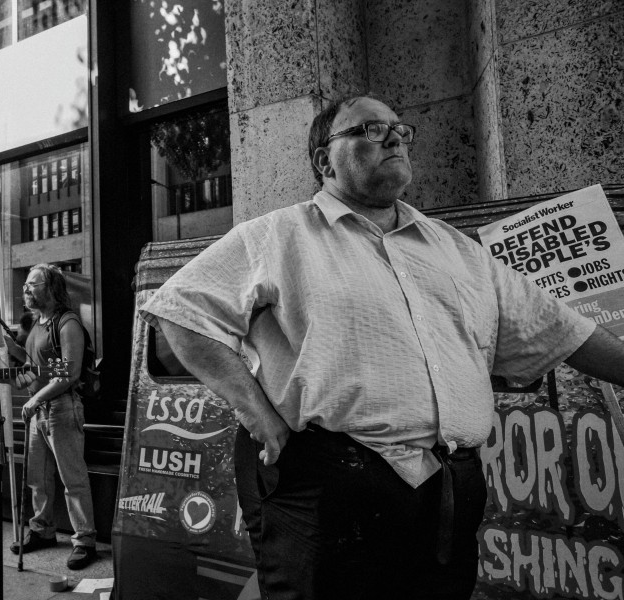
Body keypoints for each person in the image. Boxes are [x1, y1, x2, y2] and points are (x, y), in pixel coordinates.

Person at [139, 94, 624, 599]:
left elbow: (564, 330)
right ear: (325, 160)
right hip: (326, 490)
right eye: (368, 129)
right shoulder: (278, 235)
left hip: (449, 488)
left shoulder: (457, 250)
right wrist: (258, 417)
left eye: (399, 128)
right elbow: (181, 313)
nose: (393, 137)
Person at [15, 264, 97, 570]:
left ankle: (85, 541)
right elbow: (32, 368)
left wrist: (35, 397)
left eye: (33, 285)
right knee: (38, 479)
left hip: (63, 408)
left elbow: (69, 372)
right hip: (39, 412)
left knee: (72, 479)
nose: (26, 289)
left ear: (51, 288)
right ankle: (42, 531)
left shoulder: (67, 322)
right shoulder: (36, 324)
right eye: (25, 285)